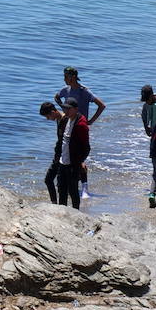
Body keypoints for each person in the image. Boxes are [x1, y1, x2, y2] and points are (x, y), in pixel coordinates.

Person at [55, 67, 104, 200]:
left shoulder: (84, 92)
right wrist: (63, 112)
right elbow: (57, 97)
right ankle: (74, 185)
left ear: (72, 77)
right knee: (69, 157)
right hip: (69, 126)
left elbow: (101, 105)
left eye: (65, 76)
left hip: (81, 127)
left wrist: (91, 121)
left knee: (80, 159)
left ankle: (85, 188)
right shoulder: (65, 90)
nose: (64, 79)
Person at [56, 98, 90, 208]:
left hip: (73, 163)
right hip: (63, 161)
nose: (66, 111)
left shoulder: (81, 125)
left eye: (69, 109)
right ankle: (62, 212)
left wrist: (79, 161)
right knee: (61, 189)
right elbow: (61, 140)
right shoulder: (65, 119)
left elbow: (86, 147)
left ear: (76, 109)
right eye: (64, 108)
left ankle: (76, 213)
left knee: (73, 190)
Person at [39, 101, 66, 204]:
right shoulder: (59, 120)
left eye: (47, 116)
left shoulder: (65, 120)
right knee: (49, 180)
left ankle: (60, 206)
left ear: (53, 112)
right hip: (58, 155)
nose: (47, 119)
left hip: (64, 157)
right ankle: (54, 203)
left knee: (61, 184)